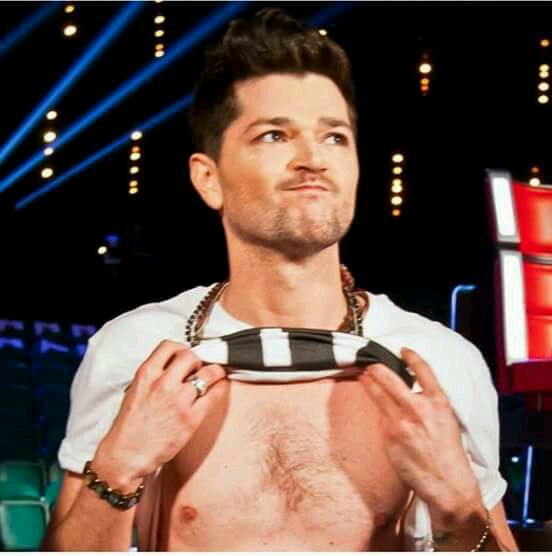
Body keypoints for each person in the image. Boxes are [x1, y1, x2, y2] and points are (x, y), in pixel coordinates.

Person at [42, 8, 518, 551]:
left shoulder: (440, 362)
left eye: (335, 137)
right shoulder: (134, 351)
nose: (313, 158)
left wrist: (458, 506)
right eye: (274, 135)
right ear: (209, 178)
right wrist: (118, 467)